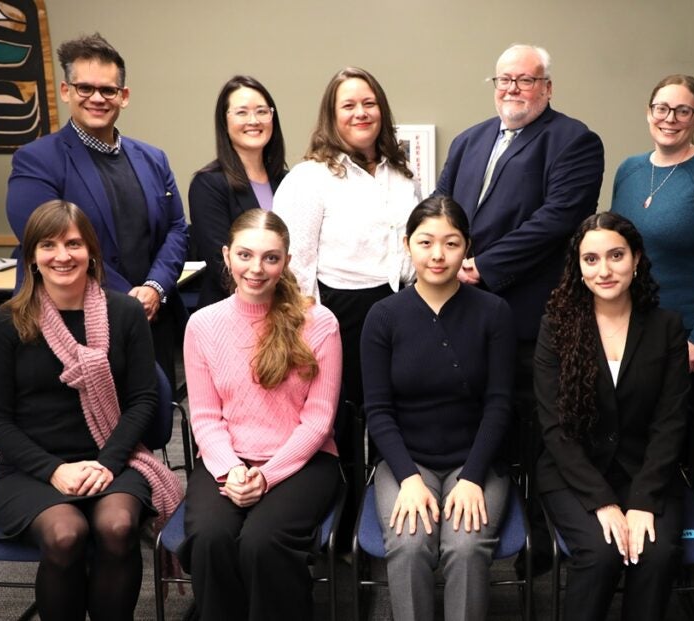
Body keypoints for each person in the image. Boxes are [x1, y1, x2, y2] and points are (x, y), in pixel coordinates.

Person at [434, 44, 604, 571]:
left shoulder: (574, 141)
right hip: (463, 309)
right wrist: (447, 259)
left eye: (525, 80)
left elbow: (557, 220)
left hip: (531, 317)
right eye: (504, 79)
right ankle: (475, 513)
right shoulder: (468, 140)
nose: (512, 89)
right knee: (476, 413)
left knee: (534, 426)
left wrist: (481, 265)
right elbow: (443, 209)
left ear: (547, 88)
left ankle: (537, 537)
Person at [0, 200, 183, 621]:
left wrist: (107, 464)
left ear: (90, 250)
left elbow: (144, 398)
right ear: (32, 257)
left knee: (117, 527)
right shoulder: (8, 321)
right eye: (48, 245)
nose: (62, 255)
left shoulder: (124, 312)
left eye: (73, 243)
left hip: (115, 458)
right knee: (66, 533)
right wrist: (54, 470)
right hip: (31, 469)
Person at [179, 209, 342, 621]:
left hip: (304, 463)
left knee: (261, 543)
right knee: (211, 538)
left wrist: (267, 476)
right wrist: (232, 470)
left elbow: (318, 421)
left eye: (271, 257)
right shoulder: (202, 325)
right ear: (226, 256)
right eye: (245, 255)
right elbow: (205, 418)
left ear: (286, 261)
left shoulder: (319, 323)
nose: (256, 268)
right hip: (227, 461)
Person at [361, 196, 515, 621]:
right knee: (408, 545)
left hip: (477, 459)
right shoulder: (383, 316)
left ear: (467, 247)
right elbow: (378, 410)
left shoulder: (494, 312)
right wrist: (408, 477)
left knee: (465, 548)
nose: (437, 254)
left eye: (450, 243)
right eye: (426, 242)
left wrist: (473, 476)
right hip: (407, 461)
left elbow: (499, 405)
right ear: (408, 244)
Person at [6, 33, 188, 388]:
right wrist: (128, 302)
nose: (97, 99)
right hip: (72, 324)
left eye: (107, 90)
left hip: (151, 320)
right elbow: (48, 244)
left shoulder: (152, 158)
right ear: (66, 91)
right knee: (81, 432)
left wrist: (153, 288)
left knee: (149, 421)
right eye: (85, 88)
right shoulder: (37, 160)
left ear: (124, 96)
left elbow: (177, 229)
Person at [534, 212, 690, 621]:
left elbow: (670, 422)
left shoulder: (667, 327)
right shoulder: (557, 327)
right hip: (576, 473)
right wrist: (601, 501)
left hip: (647, 471)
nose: (604, 270)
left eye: (616, 255)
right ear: (579, 267)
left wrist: (642, 501)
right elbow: (554, 428)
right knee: (601, 554)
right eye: (591, 259)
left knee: (654, 555)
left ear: (636, 258)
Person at [610, 74, 694, 487]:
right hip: (631, 327)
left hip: (687, 335)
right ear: (649, 113)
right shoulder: (630, 169)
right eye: (662, 108)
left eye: (682, 110)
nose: (670, 118)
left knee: (677, 443)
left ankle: (681, 533)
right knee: (632, 434)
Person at [273, 66, 419, 407]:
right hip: (341, 310)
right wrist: (308, 329)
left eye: (369, 103)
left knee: (394, 410)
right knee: (344, 414)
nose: (361, 113)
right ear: (331, 116)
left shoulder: (401, 174)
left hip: (400, 304)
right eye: (349, 105)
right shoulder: (310, 177)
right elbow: (298, 264)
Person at [189, 75, 288, 308]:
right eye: (242, 112)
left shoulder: (287, 180)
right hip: (231, 311)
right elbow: (221, 266)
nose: (253, 120)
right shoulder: (208, 184)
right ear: (225, 122)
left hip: (284, 310)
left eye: (262, 111)